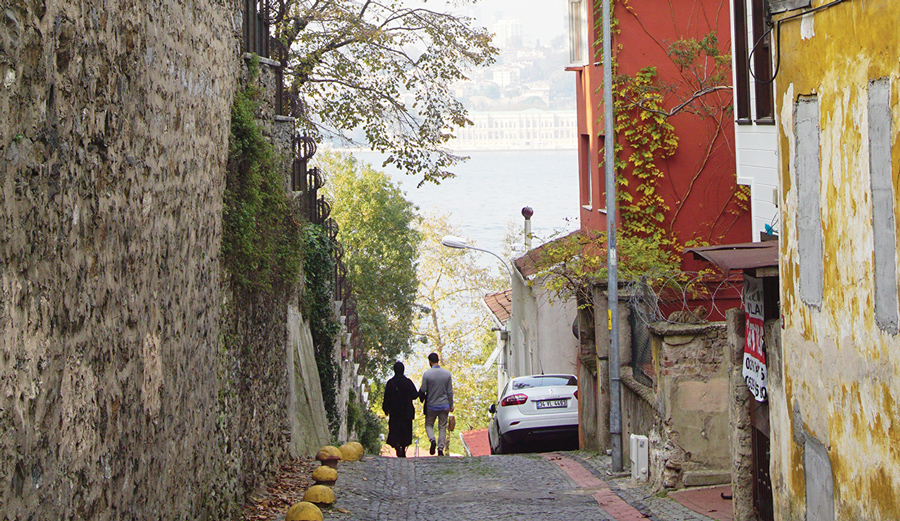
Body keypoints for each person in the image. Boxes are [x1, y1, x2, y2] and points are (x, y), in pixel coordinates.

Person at [418, 352, 454, 456]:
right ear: (438, 360)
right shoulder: (447, 374)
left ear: (429, 362)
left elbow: (423, 389)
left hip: (431, 405)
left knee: (429, 424)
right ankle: (440, 449)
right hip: (444, 405)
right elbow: (450, 391)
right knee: (442, 427)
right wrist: (451, 404)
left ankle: (432, 440)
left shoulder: (427, 374)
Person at [381, 361, 419, 457]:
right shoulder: (408, 382)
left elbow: (386, 398)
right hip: (406, 412)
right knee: (406, 430)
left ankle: (397, 445)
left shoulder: (391, 383)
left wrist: (385, 409)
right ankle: (404, 446)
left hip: (395, 412)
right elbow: (415, 395)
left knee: (395, 429)